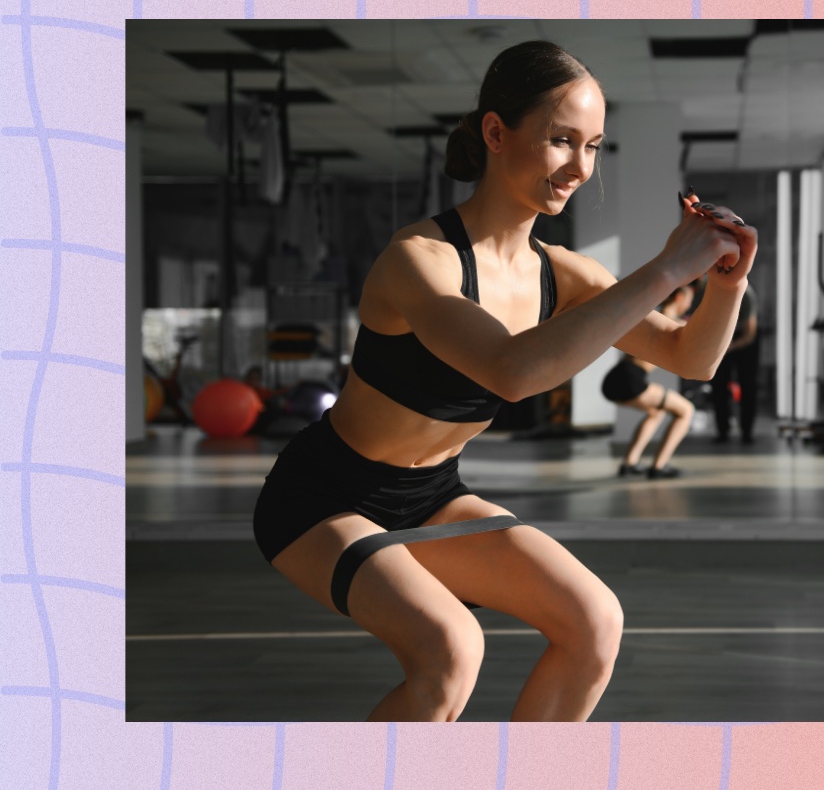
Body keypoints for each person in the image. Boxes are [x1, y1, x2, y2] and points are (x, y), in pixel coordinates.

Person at [251, 40, 757, 723]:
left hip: (430, 493)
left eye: (594, 146)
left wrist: (727, 282)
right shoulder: (418, 260)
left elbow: (690, 357)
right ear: (496, 132)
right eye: (560, 140)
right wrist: (665, 270)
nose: (580, 166)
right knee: (450, 651)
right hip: (322, 495)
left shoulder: (564, 275)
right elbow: (513, 371)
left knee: (594, 621)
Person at [601, 283, 696, 478]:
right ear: (679, 298)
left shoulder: (652, 316)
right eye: (688, 301)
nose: (688, 306)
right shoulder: (676, 323)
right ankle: (659, 467)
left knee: (655, 413)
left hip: (616, 377)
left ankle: (629, 464)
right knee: (686, 411)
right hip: (631, 379)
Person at [711, 280, 759, 443]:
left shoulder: (745, 294)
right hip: (721, 336)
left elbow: (749, 335)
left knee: (747, 385)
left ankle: (747, 432)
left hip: (743, 341)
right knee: (718, 385)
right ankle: (722, 431)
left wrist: (728, 348)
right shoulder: (708, 291)